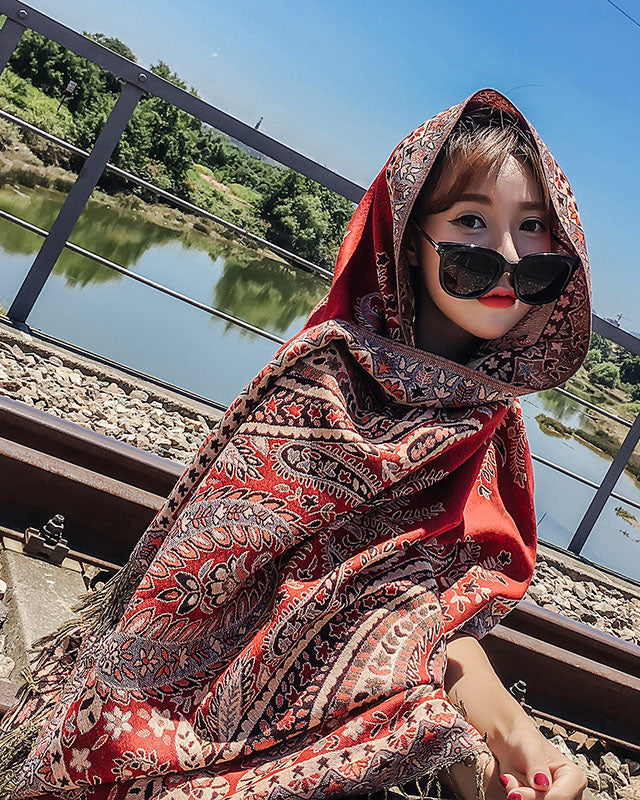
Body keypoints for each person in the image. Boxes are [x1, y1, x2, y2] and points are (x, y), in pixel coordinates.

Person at [0, 88, 591, 800]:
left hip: (351, 712)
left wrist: (508, 733)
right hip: (188, 707)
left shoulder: (492, 431)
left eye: (532, 228)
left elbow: (423, 603)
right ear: (408, 235)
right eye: (472, 220)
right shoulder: (324, 382)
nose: (507, 255)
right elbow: (221, 588)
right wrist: (454, 723)